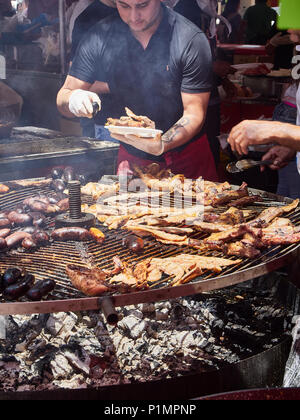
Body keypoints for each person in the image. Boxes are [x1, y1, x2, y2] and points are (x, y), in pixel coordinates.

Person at [57, 0, 219, 181]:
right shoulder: (100, 36)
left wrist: (162, 144)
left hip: (188, 157)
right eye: (124, 6)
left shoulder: (189, 39)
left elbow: (194, 113)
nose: (134, 16)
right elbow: (63, 96)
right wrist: (73, 99)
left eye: (142, 5)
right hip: (133, 157)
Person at [173, 0, 237, 173]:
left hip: (210, 100)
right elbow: (178, 60)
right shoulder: (185, 8)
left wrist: (222, 79)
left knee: (210, 153)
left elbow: (209, 51)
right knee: (193, 163)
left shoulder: (206, 10)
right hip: (188, 104)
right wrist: (212, 67)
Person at [69, 0, 116, 138]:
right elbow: (74, 82)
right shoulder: (87, 19)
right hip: (101, 121)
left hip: (140, 121)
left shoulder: (136, 15)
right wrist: (116, 86)